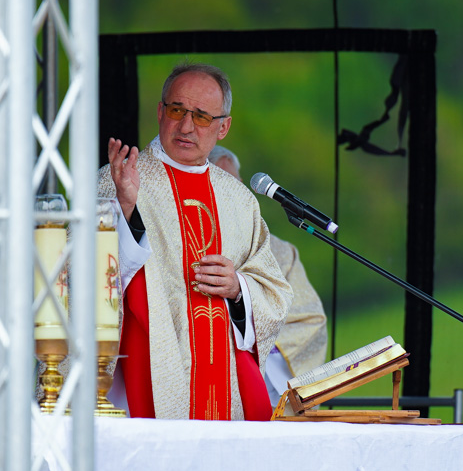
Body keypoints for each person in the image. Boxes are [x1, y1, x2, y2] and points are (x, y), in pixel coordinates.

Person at [99, 62, 293, 421]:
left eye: (202, 117)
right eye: (177, 110)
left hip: (226, 380)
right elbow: (80, 278)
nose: (186, 126)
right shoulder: (118, 180)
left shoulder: (239, 200)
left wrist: (239, 288)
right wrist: (125, 211)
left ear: (223, 127)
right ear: (160, 112)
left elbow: (275, 293)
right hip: (150, 368)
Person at [208, 145, 328, 401]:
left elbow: (309, 321)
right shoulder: (181, 244)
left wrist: (255, 339)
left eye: (235, 184)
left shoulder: (279, 253)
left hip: (265, 387)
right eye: (219, 184)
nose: (230, 193)